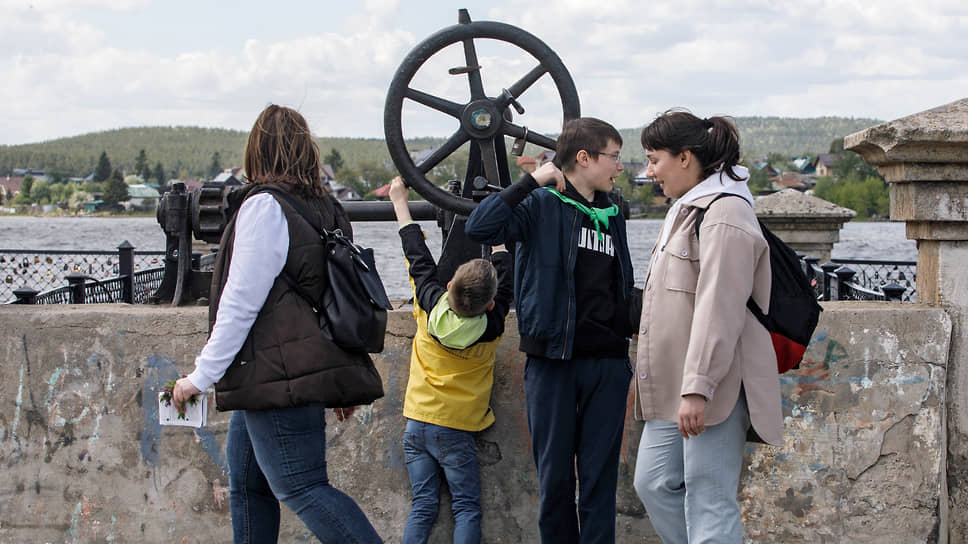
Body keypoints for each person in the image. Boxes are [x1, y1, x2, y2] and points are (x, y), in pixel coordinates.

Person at [172, 104, 384, 544]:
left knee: (301, 487)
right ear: (307, 150)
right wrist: (338, 377)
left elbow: (240, 303)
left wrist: (201, 376)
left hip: (275, 373)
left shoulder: (265, 207)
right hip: (282, 372)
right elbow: (335, 297)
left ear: (257, 152)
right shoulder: (326, 207)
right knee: (249, 488)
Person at [464, 117, 636, 543]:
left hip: (609, 364)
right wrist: (531, 181)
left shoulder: (614, 212)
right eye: (614, 156)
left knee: (599, 487)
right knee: (556, 485)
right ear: (584, 157)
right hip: (554, 363)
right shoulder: (541, 206)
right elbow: (479, 227)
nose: (620, 166)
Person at [632, 110, 783, 543]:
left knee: (710, 501)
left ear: (684, 158)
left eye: (653, 158)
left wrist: (698, 387)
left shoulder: (725, 213)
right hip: (675, 386)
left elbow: (720, 308)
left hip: (714, 384)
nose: (649, 172)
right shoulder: (687, 210)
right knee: (655, 483)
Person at [388, 175, 513, 544]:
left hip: (416, 424)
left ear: (448, 287)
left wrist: (399, 201)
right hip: (456, 430)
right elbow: (506, 273)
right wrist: (499, 226)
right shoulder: (492, 324)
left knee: (423, 506)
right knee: (466, 508)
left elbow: (416, 254)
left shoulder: (427, 304)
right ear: (491, 304)